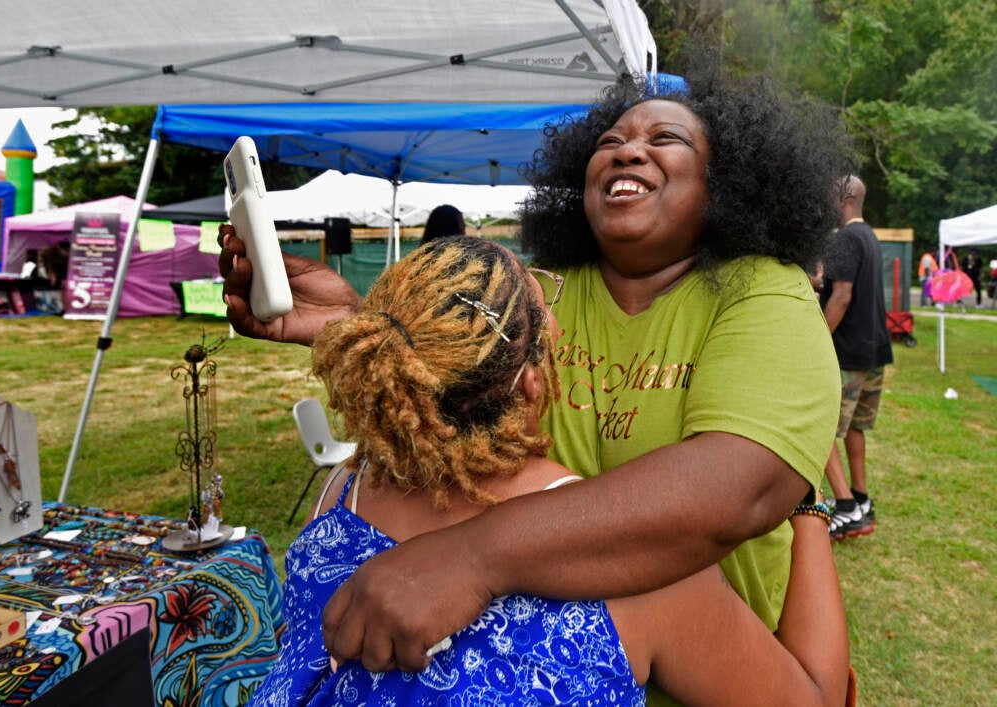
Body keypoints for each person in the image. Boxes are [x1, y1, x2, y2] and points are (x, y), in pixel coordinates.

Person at [219, 50, 854, 681]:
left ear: (727, 181)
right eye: (611, 141)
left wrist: (471, 557)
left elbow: (734, 487)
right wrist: (361, 329)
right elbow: (465, 389)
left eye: (666, 139)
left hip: (720, 669)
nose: (628, 151)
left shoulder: (762, 292)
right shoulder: (542, 289)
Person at [248, 235, 849, 706]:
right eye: (547, 300)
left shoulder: (346, 491)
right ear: (533, 378)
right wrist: (805, 499)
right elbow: (815, 699)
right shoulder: (634, 568)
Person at [819, 176, 893, 541]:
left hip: (847, 353)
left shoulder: (845, 238)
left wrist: (814, 340)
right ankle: (862, 498)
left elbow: (842, 296)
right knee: (856, 428)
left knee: (823, 430)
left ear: (844, 198)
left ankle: (846, 508)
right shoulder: (870, 237)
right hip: (874, 351)